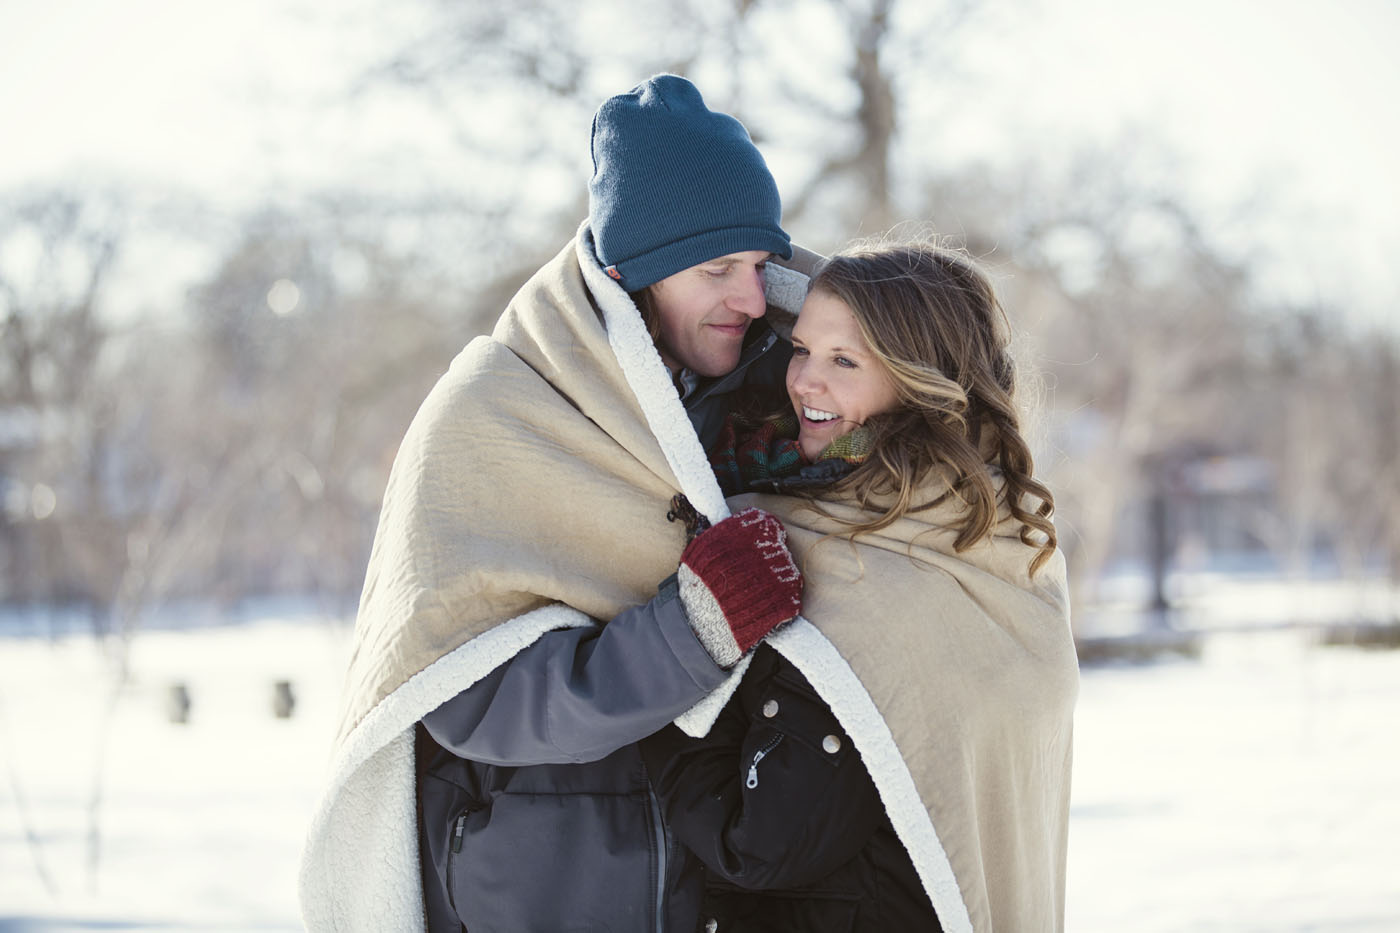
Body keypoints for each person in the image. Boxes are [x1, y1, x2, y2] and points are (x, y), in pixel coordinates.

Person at [298, 74, 822, 933]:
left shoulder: (777, 397)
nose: (753, 298)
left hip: (716, 877)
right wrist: (692, 633)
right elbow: (466, 698)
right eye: (717, 268)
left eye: (762, 265)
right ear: (633, 273)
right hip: (543, 879)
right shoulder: (494, 411)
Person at [642, 244, 1078, 932]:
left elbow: (761, 844)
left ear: (920, 380)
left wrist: (658, 714)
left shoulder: (839, 563)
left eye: (844, 361)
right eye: (801, 349)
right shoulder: (1004, 537)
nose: (804, 382)